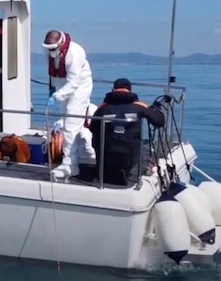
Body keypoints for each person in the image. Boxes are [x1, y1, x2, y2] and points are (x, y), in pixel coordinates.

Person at [88, 78, 166, 185]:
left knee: (97, 137)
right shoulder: (139, 106)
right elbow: (159, 122)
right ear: (130, 89)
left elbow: (92, 128)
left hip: (108, 152)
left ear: (113, 89)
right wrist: (156, 109)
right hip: (131, 153)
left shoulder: (102, 108)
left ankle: (102, 169)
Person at [42, 30, 94, 160]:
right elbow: (52, 69)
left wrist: (56, 96)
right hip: (63, 86)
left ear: (61, 43)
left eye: (53, 48)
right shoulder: (50, 51)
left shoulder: (75, 53)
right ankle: (84, 151)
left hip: (79, 87)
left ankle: (70, 162)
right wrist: (52, 88)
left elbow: (73, 82)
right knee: (66, 120)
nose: (50, 51)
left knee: (71, 121)